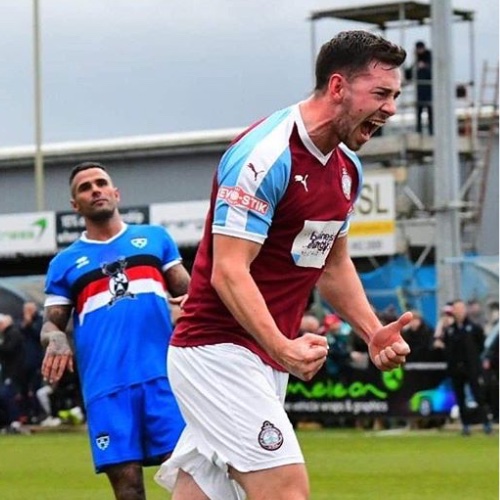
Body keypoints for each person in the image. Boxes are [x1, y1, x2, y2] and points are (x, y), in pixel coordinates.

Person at [155, 30, 412, 500]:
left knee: (201, 494)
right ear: (338, 87)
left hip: (262, 358)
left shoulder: (346, 169)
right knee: (285, 490)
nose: (391, 109)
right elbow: (229, 271)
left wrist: (372, 330)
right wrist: (283, 346)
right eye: (380, 93)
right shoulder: (265, 155)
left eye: (395, 95)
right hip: (218, 351)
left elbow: (332, 266)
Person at [40, 162, 190, 499]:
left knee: (190, 478)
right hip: (106, 387)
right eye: (85, 187)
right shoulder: (64, 263)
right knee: (129, 489)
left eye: (101, 183)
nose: (95, 190)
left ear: (115, 193)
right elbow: (51, 323)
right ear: (75, 205)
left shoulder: (155, 239)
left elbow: (190, 294)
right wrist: (57, 337)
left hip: (163, 378)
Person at [434, 299, 492, 436]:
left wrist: (475, 361)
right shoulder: (450, 330)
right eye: (456, 309)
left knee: (478, 395)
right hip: (456, 369)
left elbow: (481, 345)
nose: (459, 312)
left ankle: (485, 423)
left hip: (471, 367)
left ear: (465, 310)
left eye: (461, 308)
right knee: (460, 397)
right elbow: (445, 348)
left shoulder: (474, 328)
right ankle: (465, 425)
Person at [405, 40, 433, 135]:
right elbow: (410, 73)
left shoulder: (430, 57)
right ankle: (419, 130)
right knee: (419, 109)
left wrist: (425, 67)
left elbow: (433, 72)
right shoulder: (417, 59)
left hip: (429, 88)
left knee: (430, 109)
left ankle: (431, 130)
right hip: (420, 89)